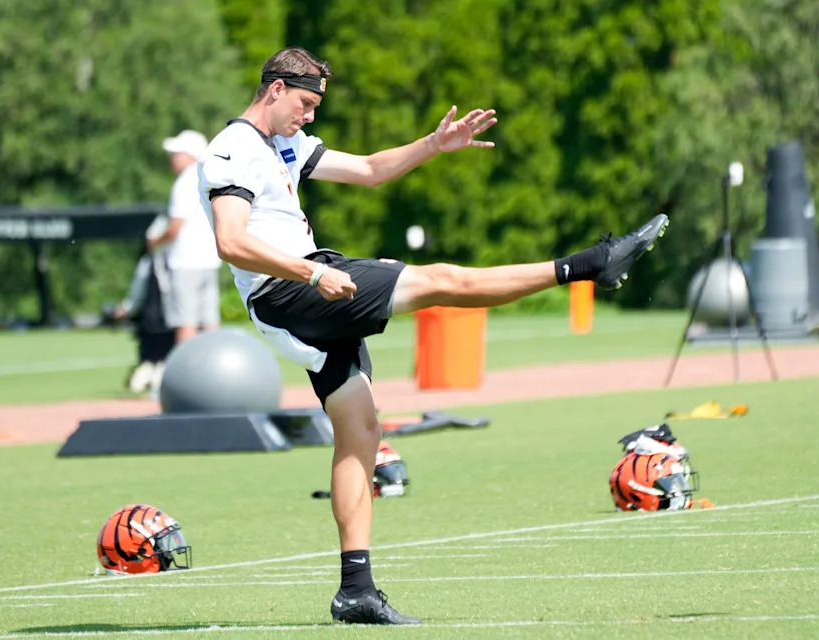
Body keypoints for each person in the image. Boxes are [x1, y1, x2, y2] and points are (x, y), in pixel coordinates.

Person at [198, 46, 669, 625]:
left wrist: (432, 145)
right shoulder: (230, 150)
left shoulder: (282, 144)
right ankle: (588, 266)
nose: (311, 115)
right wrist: (314, 272)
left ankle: (356, 591)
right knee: (441, 280)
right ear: (274, 89)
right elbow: (231, 241)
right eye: (305, 102)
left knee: (361, 430)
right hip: (290, 289)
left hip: (307, 286)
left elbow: (370, 171)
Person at [150, 129, 222, 344]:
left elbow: (174, 228)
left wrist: (154, 241)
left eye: (177, 153)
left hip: (186, 261)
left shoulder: (184, 181)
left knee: (186, 321)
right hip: (210, 260)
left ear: (190, 154)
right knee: (210, 321)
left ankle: (185, 374)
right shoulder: (208, 176)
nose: (172, 158)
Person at [111, 215, 175, 394]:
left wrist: (126, 309)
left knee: (151, 358)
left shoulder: (149, 261)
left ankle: (151, 376)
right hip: (170, 321)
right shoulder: (178, 259)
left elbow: (137, 293)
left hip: (152, 322)